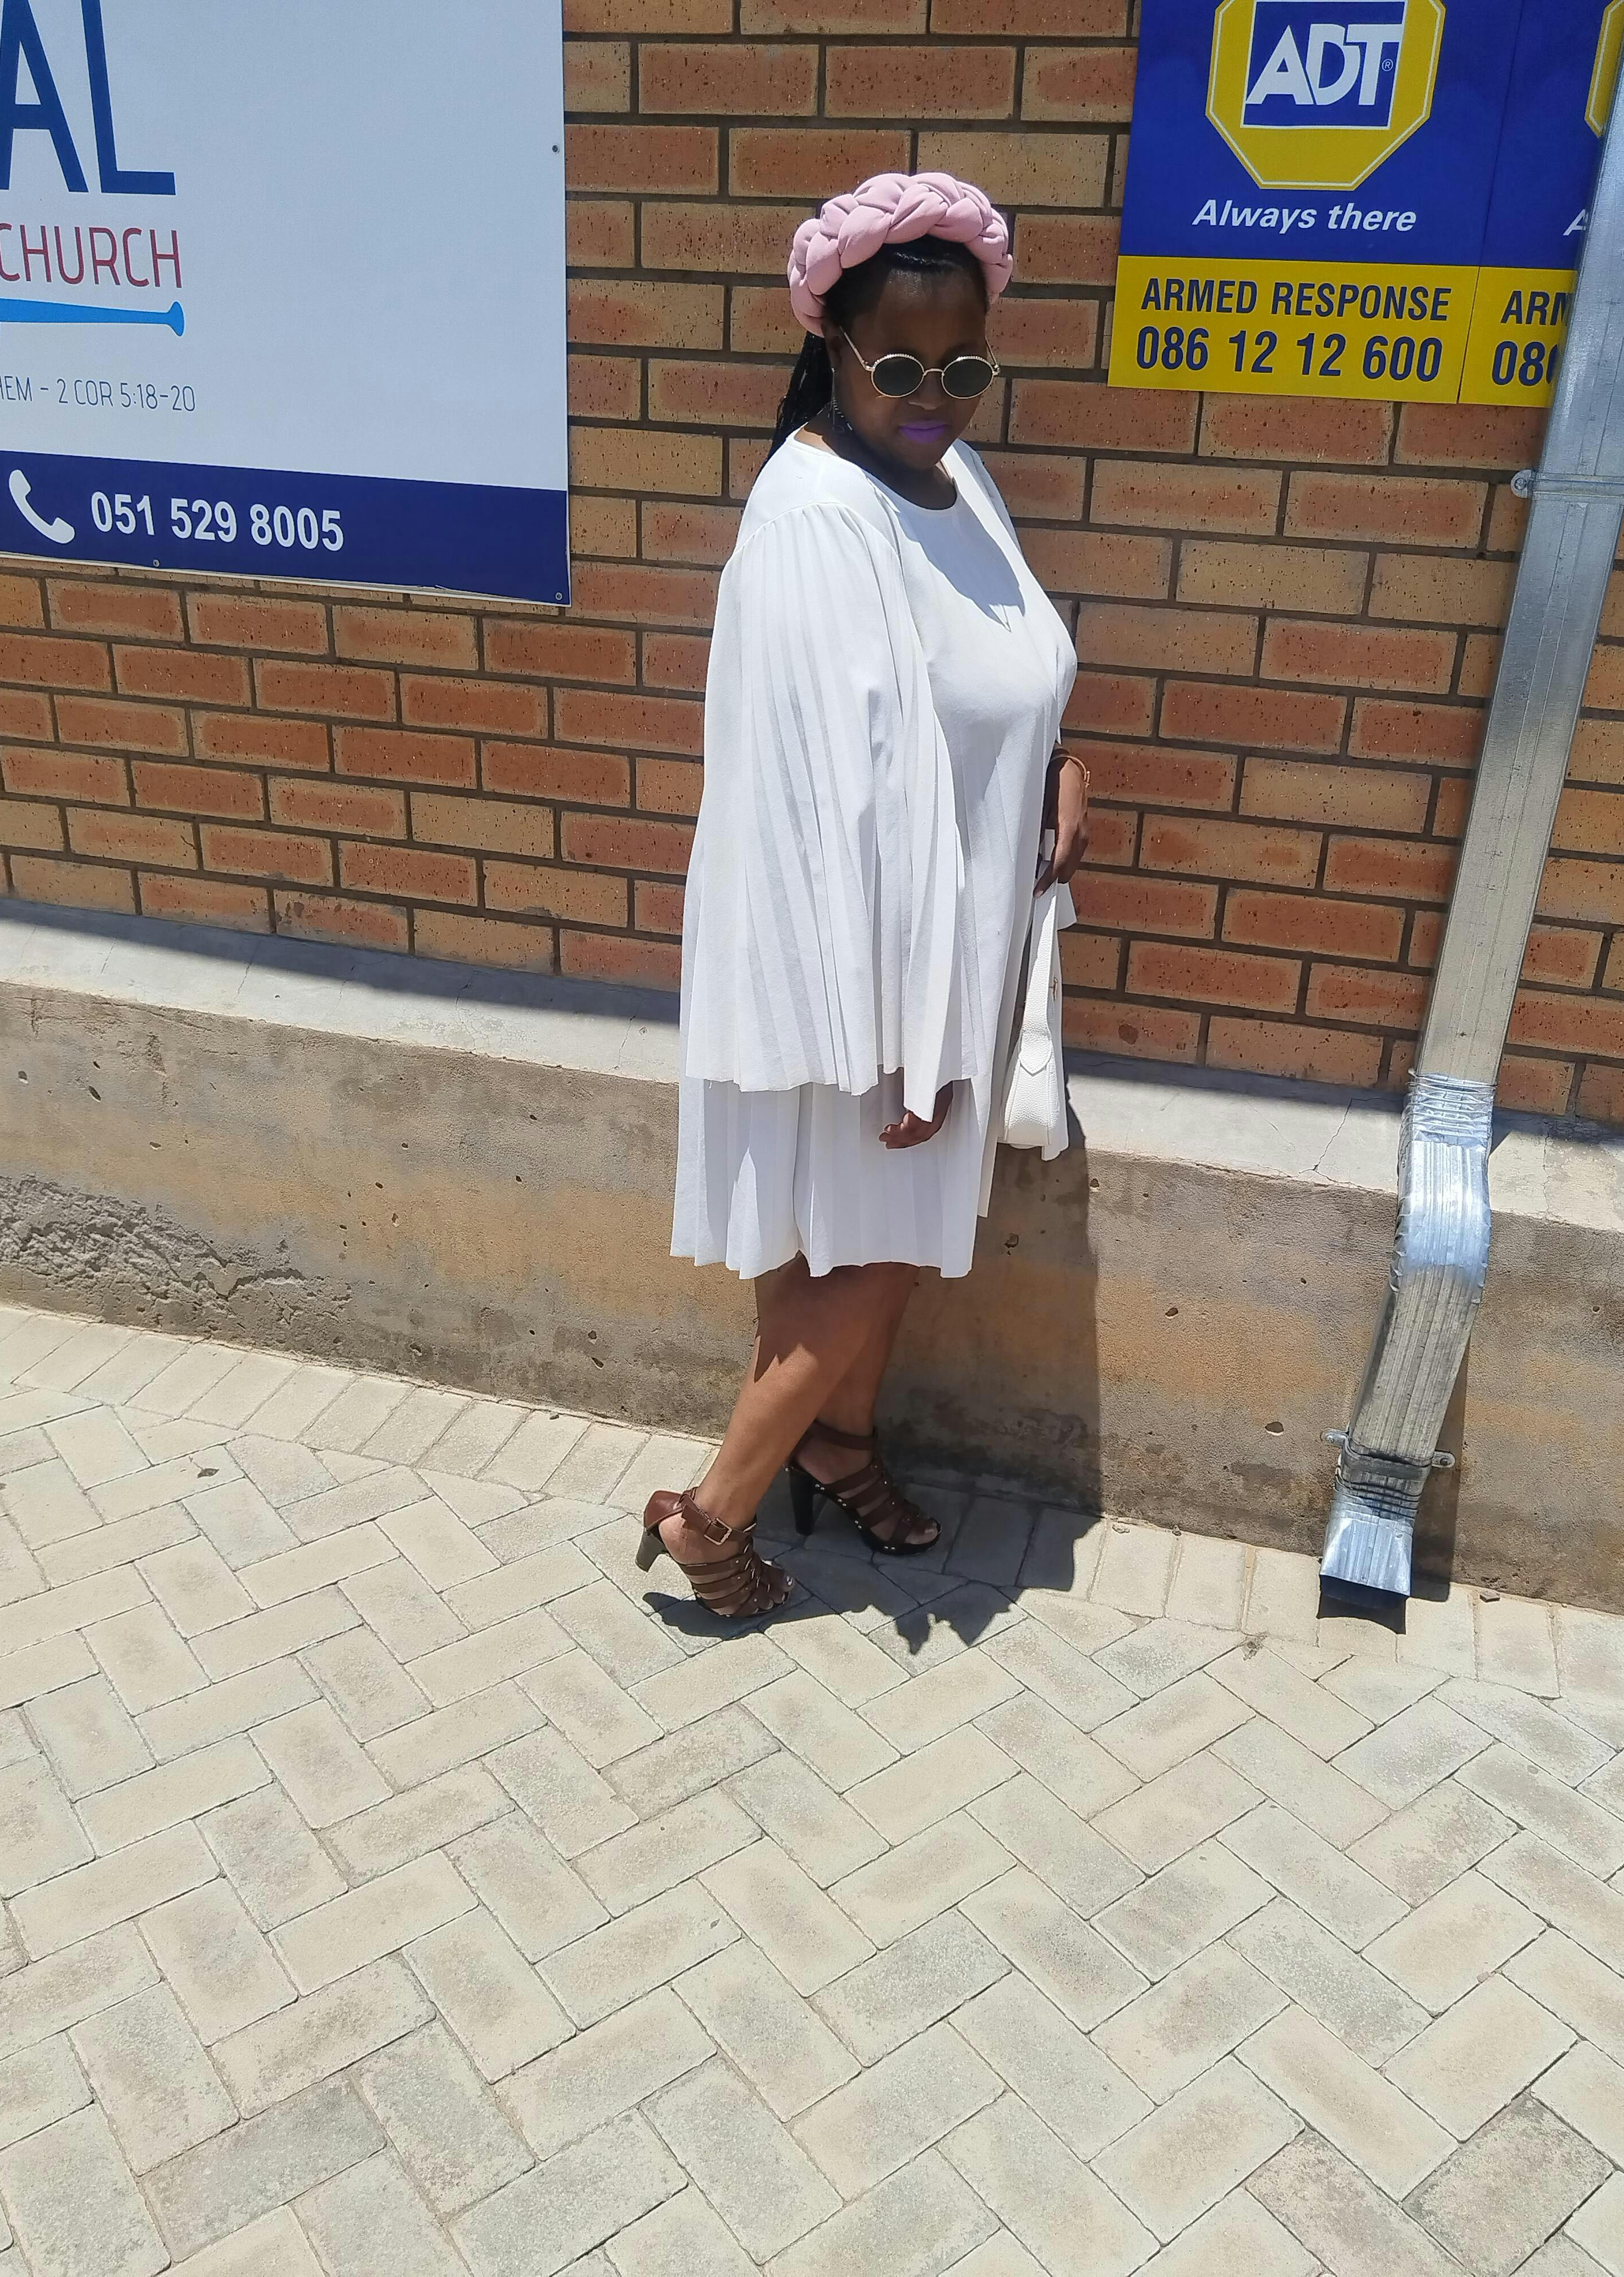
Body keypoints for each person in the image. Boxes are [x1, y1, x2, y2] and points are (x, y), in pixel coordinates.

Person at [636, 171, 1089, 1620]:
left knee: (869, 1238)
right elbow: (834, 809)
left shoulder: (955, 478)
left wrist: (1058, 765)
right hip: (875, 976)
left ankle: (836, 1448)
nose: (933, 397)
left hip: (948, 950)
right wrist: (900, 1035)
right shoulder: (820, 518)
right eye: (899, 367)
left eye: (965, 368)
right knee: (874, 1252)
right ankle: (710, 1517)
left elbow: (993, 674)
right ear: (830, 344)